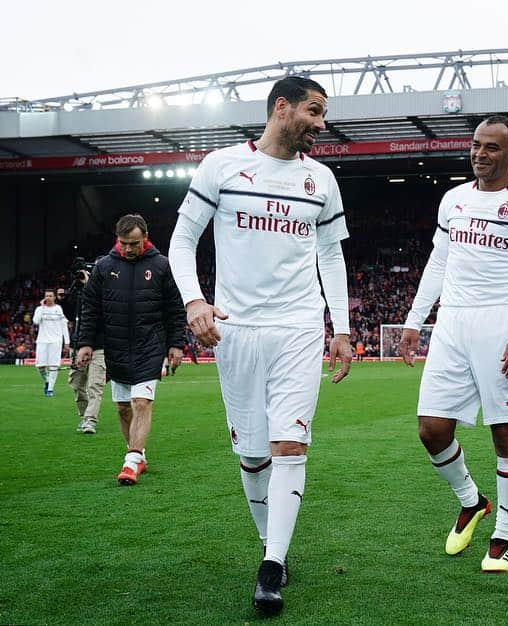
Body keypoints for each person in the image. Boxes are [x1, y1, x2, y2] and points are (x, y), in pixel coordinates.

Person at [168, 75, 352, 617]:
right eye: (314, 112)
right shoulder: (220, 167)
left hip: (298, 328)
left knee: (289, 445)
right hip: (236, 330)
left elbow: (333, 257)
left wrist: (339, 328)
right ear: (281, 107)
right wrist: (193, 302)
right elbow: (182, 240)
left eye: (323, 114)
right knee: (251, 454)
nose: (321, 124)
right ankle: (271, 545)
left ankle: (272, 564)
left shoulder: (321, 180)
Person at [399, 116, 508, 574]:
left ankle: (504, 532)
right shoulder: (453, 199)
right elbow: (438, 260)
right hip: (452, 324)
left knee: (506, 435)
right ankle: (471, 500)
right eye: (476, 146)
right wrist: (413, 321)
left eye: (492, 148)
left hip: (503, 322)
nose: (480, 154)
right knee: (431, 429)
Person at [76, 214, 185, 483]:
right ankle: (139, 456)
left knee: (141, 402)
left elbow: (175, 309)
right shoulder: (104, 268)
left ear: (145, 238)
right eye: (124, 243)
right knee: (123, 408)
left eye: (134, 243)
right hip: (116, 347)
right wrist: (85, 343)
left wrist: (176, 344)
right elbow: (91, 309)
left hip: (150, 346)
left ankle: (132, 460)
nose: (128, 248)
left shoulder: (162, 266)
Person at [62, 271, 106, 433]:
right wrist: (73, 287)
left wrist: (89, 286)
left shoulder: (106, 291)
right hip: (78, 344)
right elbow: (68, 312)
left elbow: (99, 306)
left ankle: (90, 420)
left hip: (100, 346)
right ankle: (85, 414)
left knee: (95, 384)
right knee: (76, 383)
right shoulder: (79, 293)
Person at [32, 289, 69, 397]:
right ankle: (47, 381)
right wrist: (42, 307)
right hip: (42, 340)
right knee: (40, 366)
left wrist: (67, 342)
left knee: (54, 365)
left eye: (50, 296)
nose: (48, 298)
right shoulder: (39, 309)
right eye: (46, 296)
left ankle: (50, 389)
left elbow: (64, 325)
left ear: (54, 297)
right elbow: (36, 321)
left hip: (56, 341)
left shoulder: (58, 309)